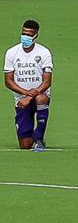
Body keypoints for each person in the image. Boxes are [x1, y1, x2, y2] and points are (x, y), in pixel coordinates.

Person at [3, 19, 52, 152]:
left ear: (36, 35)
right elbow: (8, 81)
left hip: (39, 94)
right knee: (25, 146)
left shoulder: (44, 53)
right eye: (24, 33)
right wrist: (25, 93)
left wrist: (30, 97)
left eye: (29, 35)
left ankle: (39, 137)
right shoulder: (12, 52)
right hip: (21, 99)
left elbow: (47, 82)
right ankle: (31, 137)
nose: (26, 37)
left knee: (41, 99)